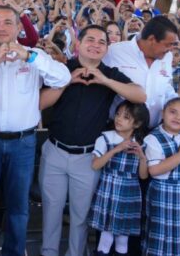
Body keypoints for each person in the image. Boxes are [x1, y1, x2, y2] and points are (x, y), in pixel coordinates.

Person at [0, 5, 70, 256]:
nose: (1, 27)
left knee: (19, 207)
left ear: (18, 27)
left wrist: (29, 57)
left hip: (23, 143)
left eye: (7, 22)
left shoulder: (33, 54)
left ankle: (14, 252)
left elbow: (62, 78)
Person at [37, 24, 147, 256]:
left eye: (102, 42)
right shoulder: (62, 68)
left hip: (89, 157)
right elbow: (39, 103)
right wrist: (67, 80)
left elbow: (140, 95)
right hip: (55, 151)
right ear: (78, 45)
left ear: (107, 49)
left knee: (80, 214)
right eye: (90, 40)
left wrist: (104, 81)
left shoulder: (110, 73)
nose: (96, 45)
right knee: (52, 211)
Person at [88, 101, 150, 256]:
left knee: (123, 238)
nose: (119, 119)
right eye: (117, 114)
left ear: (137, 123)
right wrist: (117, 149)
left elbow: (143, 176)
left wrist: (142, 158)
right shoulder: (106, 138)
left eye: (126, 117)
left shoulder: (142, 143)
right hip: (109, 189)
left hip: (130, 192)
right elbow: (96, 165)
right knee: (106, 235)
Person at [103, 16, 180, 127]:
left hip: (153, 131)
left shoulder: (167, 57)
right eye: (168, 44)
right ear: (152, 40)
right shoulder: (114, 52)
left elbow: (166, 88)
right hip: (118, 133)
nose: (171, 49)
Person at [143, 97, 180, 256]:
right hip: (163, 193)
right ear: (163, 114)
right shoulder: (153, 138)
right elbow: (154, 171)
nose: (177, 117)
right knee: (163, 233)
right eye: (173, 112)